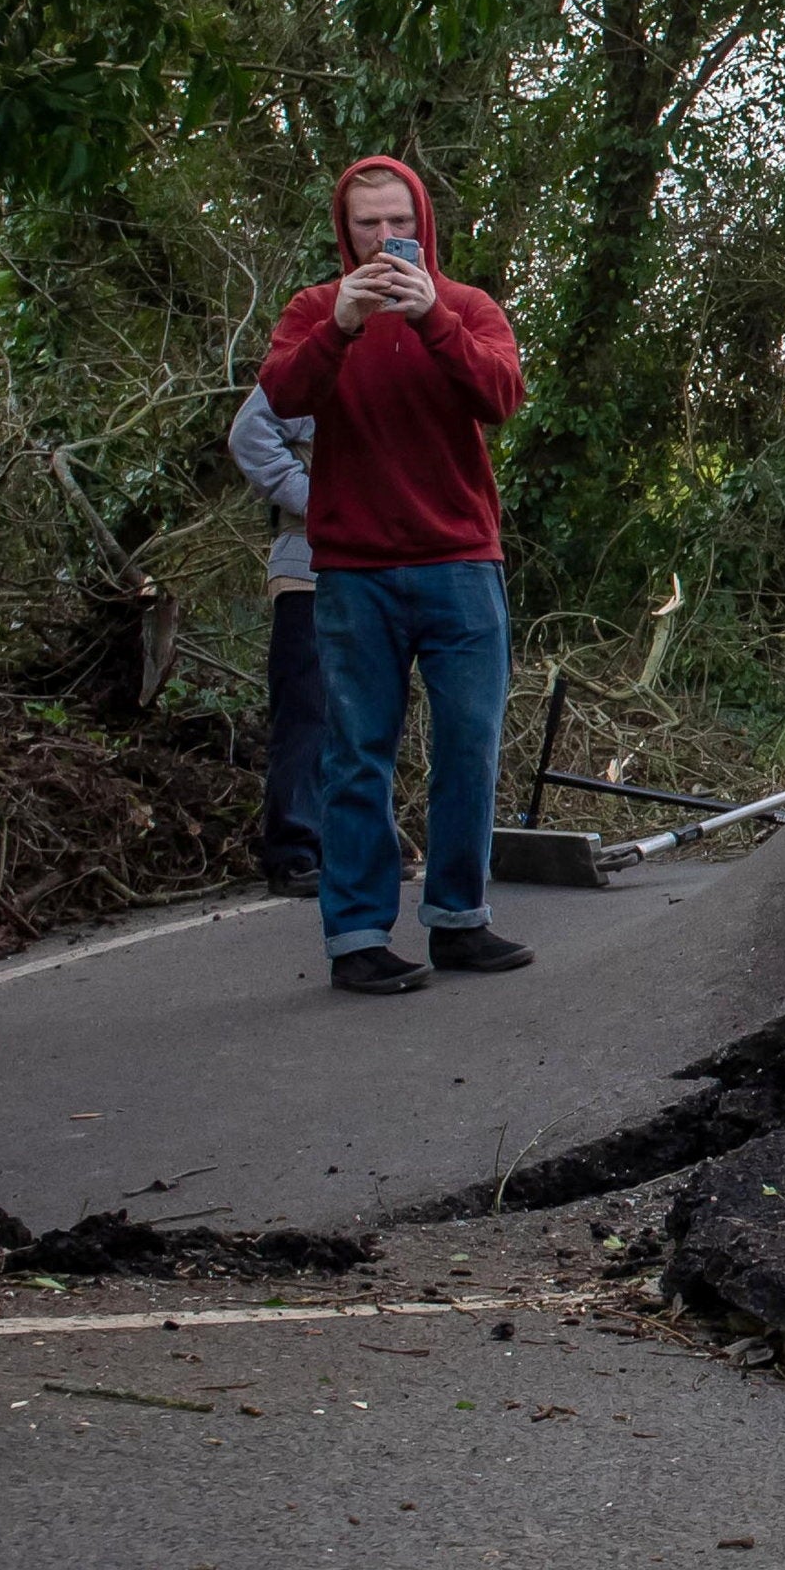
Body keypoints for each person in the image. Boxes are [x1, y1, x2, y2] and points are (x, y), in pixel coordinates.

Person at [251, 157, 532, 997]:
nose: (383, 240)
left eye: (396, 222)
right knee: (356, 757)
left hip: (460, 561)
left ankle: (458, 919)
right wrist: (338, 325)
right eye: (367, 225)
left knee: (470, 747)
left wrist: (435, 317)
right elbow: (278, 393)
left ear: (422, 222)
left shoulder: (470, 306)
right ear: (346, 231)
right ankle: (359, 936)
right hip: (354, 571)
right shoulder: (312, 310)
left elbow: (503, 396)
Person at [224, 386, 323, 899]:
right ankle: (295, 852)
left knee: (363, 716)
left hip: (372, 573)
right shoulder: (314, 367)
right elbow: (249, 433)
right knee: (306, 710)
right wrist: (313, 499)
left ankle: (348, 847)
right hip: (307, 568)